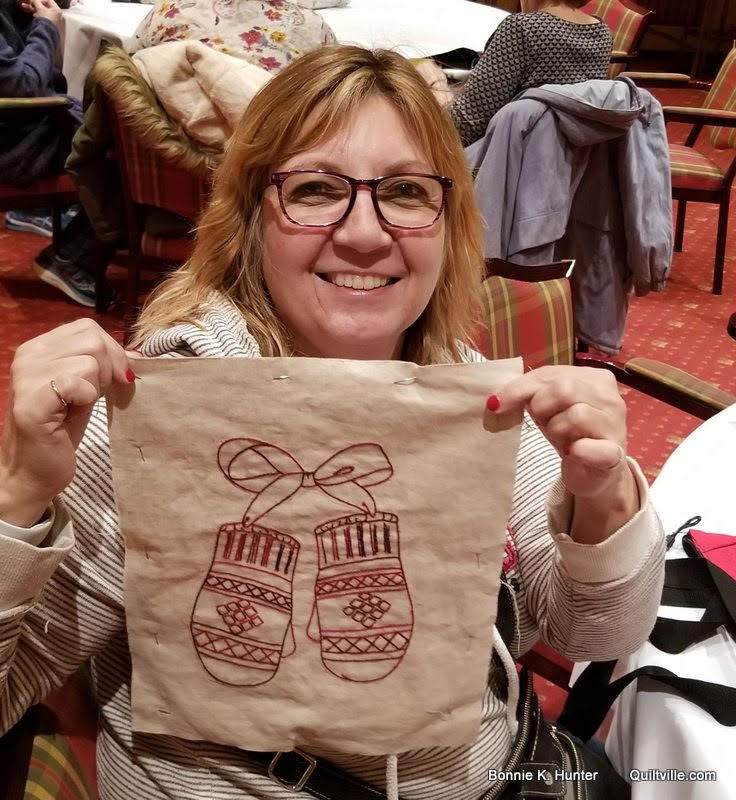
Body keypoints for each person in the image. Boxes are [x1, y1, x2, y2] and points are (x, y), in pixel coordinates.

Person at [0, 45, 663, 800]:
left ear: (448, 223)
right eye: (315, 189)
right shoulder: (158, 417)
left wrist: (602, 495)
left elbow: (595, 632)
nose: (364, 234)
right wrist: (18, 493)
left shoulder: (468, 387)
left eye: (406, 191)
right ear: (250, 218)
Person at [0, 0, 115, 306]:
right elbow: (21, 85)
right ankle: (74, 259)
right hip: (16, 143)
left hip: (25, 127)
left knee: (121, 127)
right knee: (134, 153)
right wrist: (46, 26)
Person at [418, 0, 613, 146]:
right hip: (566, 168)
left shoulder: (523, 29)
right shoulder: (602, 34)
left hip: (505, 165)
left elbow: (465, 128)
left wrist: (435, 83)